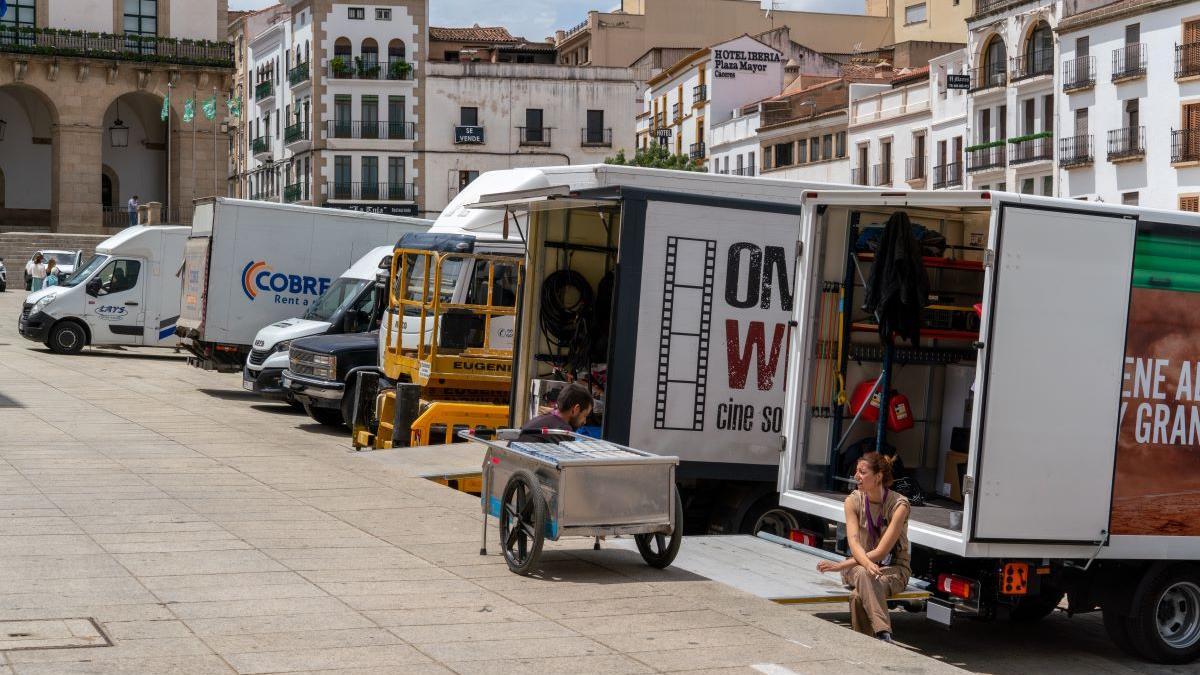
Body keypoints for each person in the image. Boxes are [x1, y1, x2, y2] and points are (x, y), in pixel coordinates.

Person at [816, 451, 911, 643]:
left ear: (878, 477)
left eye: (862, 472)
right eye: (856, 471)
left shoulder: (899, 505)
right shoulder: (853, 501)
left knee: (858, 596)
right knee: (862, 573)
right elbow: (853, 542)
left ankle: (865, 643)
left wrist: (838, 566)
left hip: (894, 569)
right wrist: (865, 564)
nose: (856, 476)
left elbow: (882, 551)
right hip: (858, 565)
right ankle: (884, 633)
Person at [516, 383, 593, 442]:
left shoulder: (542, 419)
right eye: (584, 415)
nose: (584, 421)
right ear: (575, 409)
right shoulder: (563, 431)